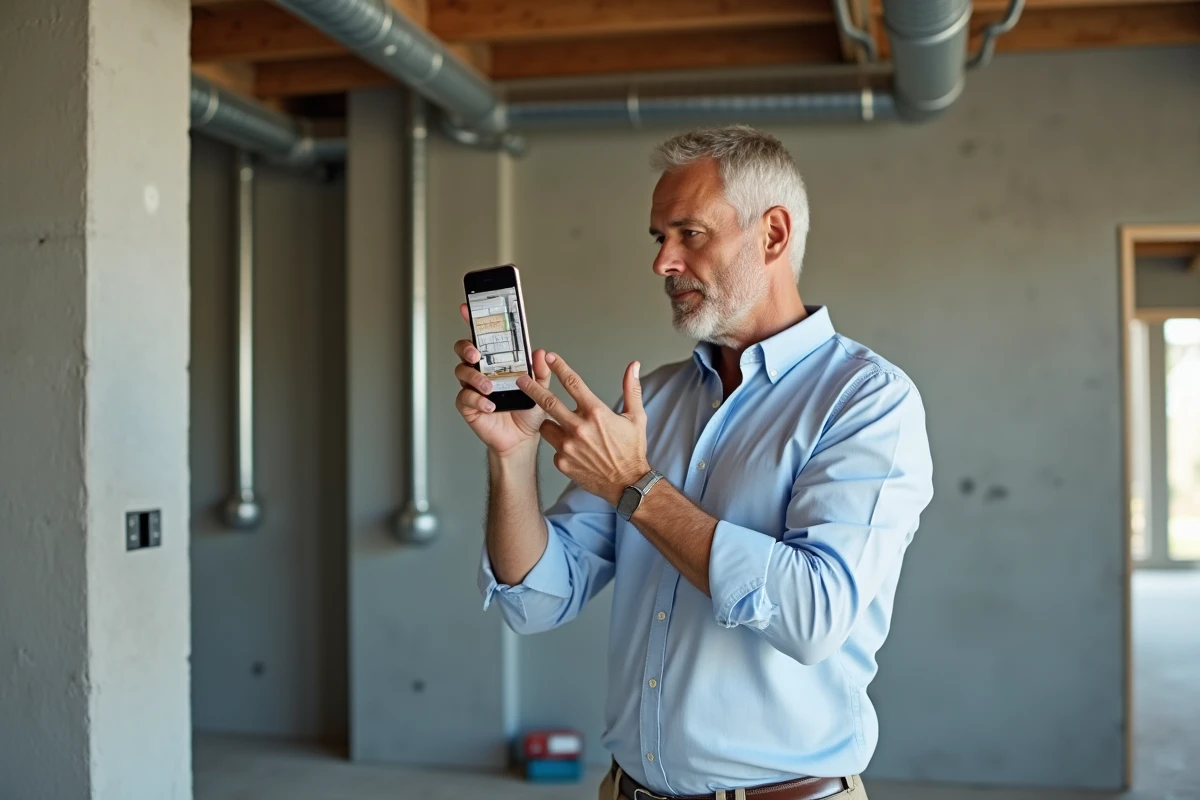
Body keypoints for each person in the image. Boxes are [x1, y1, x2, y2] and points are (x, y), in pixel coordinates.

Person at [452, 125, 934, 800]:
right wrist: (513, 457)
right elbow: (535, 602)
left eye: (690, 234)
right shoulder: (651, 400)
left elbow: (814, 615)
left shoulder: (867, 400)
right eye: (658, 238)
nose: (663, 263)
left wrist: (633, 486)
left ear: (772, 235)